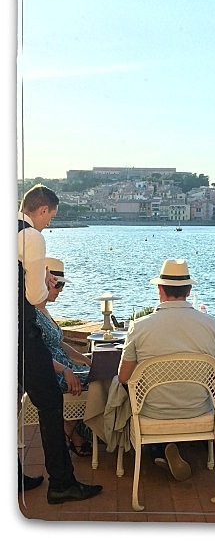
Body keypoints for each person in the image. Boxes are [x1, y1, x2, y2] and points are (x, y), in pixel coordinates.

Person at [18, 183, 102, 503]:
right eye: (50, 217)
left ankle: (13, 476)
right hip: (22, 336)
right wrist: (44, 282)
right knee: (51, 403)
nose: (49, 223)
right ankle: (61, 483)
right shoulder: (31, 236)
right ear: (42, 210)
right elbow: (36, 296)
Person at [118, 258, 215, 481]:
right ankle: (172, 448)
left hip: (152, 413)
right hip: (199, 411)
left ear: (160, 289)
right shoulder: (210, 323)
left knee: (118, 390)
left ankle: (133, 453)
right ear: (189, 290)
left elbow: (123, 376)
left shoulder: (139, 327)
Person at [36, 257, 93, 457]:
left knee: (100, 375)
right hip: (53, 372)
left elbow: (60, 343)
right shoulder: (33, 314)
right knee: (100, 383)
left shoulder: (44, 311)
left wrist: (86, 360)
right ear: (44, 282)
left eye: (62, 285)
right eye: (58, 284)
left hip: (65, 367)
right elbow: (37, 353)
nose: (61, 290)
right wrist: (66, 370)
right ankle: (69, 431)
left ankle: (72, 432)